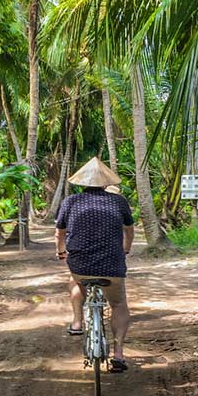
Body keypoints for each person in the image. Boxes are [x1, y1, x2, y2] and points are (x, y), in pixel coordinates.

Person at [55, 157, 134, 373]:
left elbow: (59, 233)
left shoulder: (70, 202)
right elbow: (129, 230)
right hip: (112, 263)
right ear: (105, 182)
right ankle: (118, 353)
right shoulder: (119, 202)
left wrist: (62, 251)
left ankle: (77, 323)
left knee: (75, 280)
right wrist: (125, 249)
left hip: (80, 263)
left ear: (82, 182)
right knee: (118, 304)